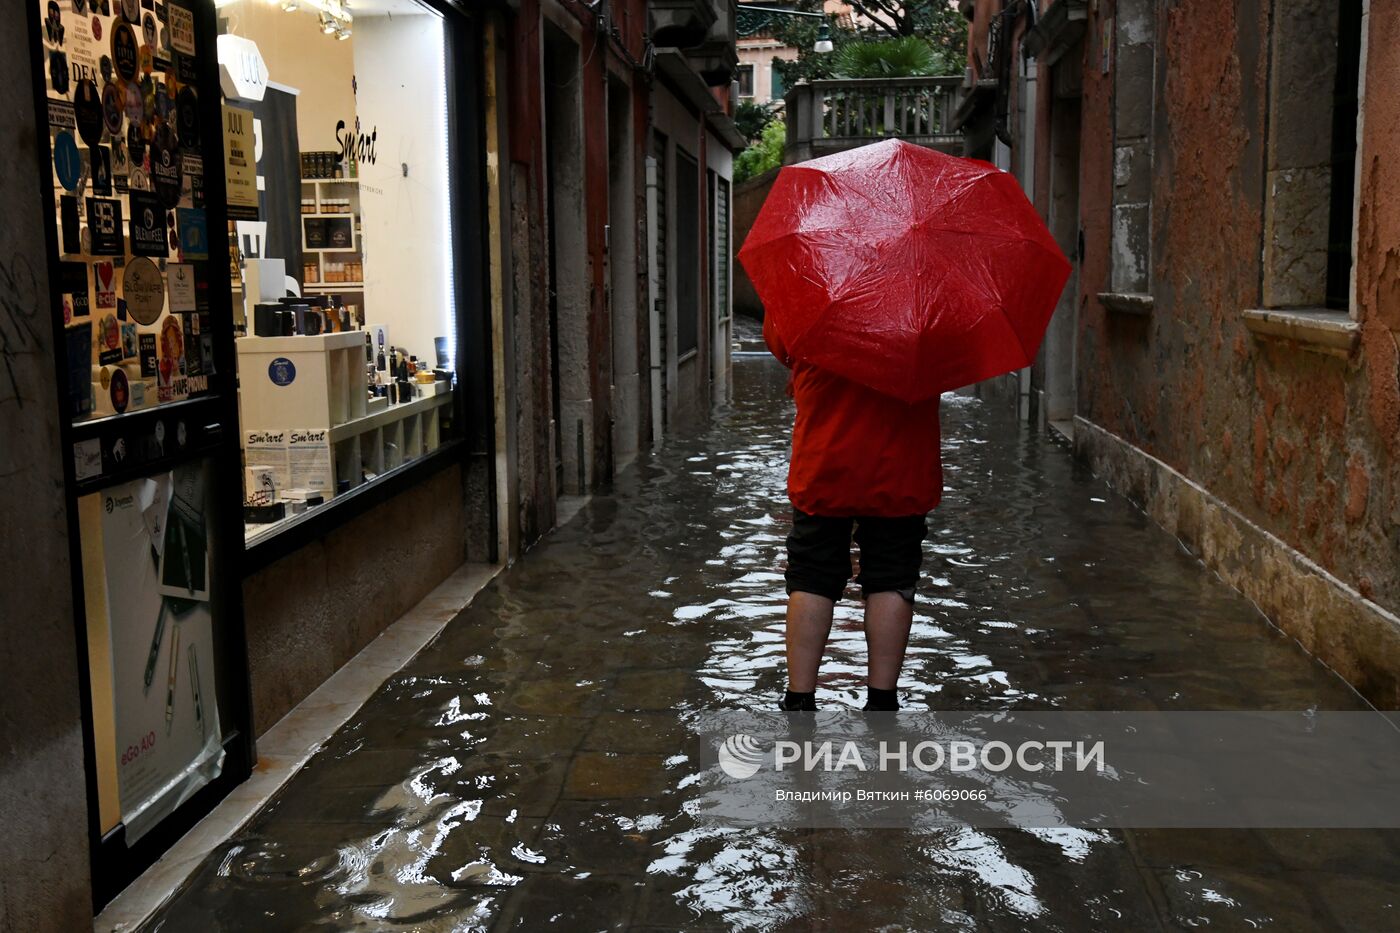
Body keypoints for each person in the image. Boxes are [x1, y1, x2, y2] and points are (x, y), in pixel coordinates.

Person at [765, 314, 942, 712]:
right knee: (892, 574)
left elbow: (782, 347)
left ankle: (799, 698)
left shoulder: (809, 284)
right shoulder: (925, 303)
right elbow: (951, 365)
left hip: (826, 456)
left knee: (811, 572)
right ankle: (882, 701)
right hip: (902, 458)